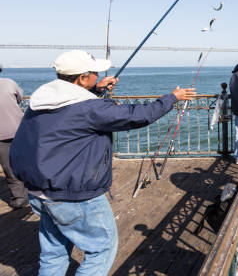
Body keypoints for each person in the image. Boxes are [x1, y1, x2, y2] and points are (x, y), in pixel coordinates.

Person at [10, 50, 195, 276]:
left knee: (54, 254)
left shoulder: (43, 102)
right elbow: (137, 115)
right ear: (82, 78)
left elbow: (72, 112)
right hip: (73, 194)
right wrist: (172, 98)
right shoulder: (89, 108)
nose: (98, 76)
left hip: (39, 191)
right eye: (95, 73)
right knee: (101, 249)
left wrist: (96, 90)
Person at [0, 66, 28, 209]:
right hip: (18, 128)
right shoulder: (9, 82)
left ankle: (20, 198)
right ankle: (29, 192)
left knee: (9, 167)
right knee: (22, 161)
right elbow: (20, 97)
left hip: (3, 133)